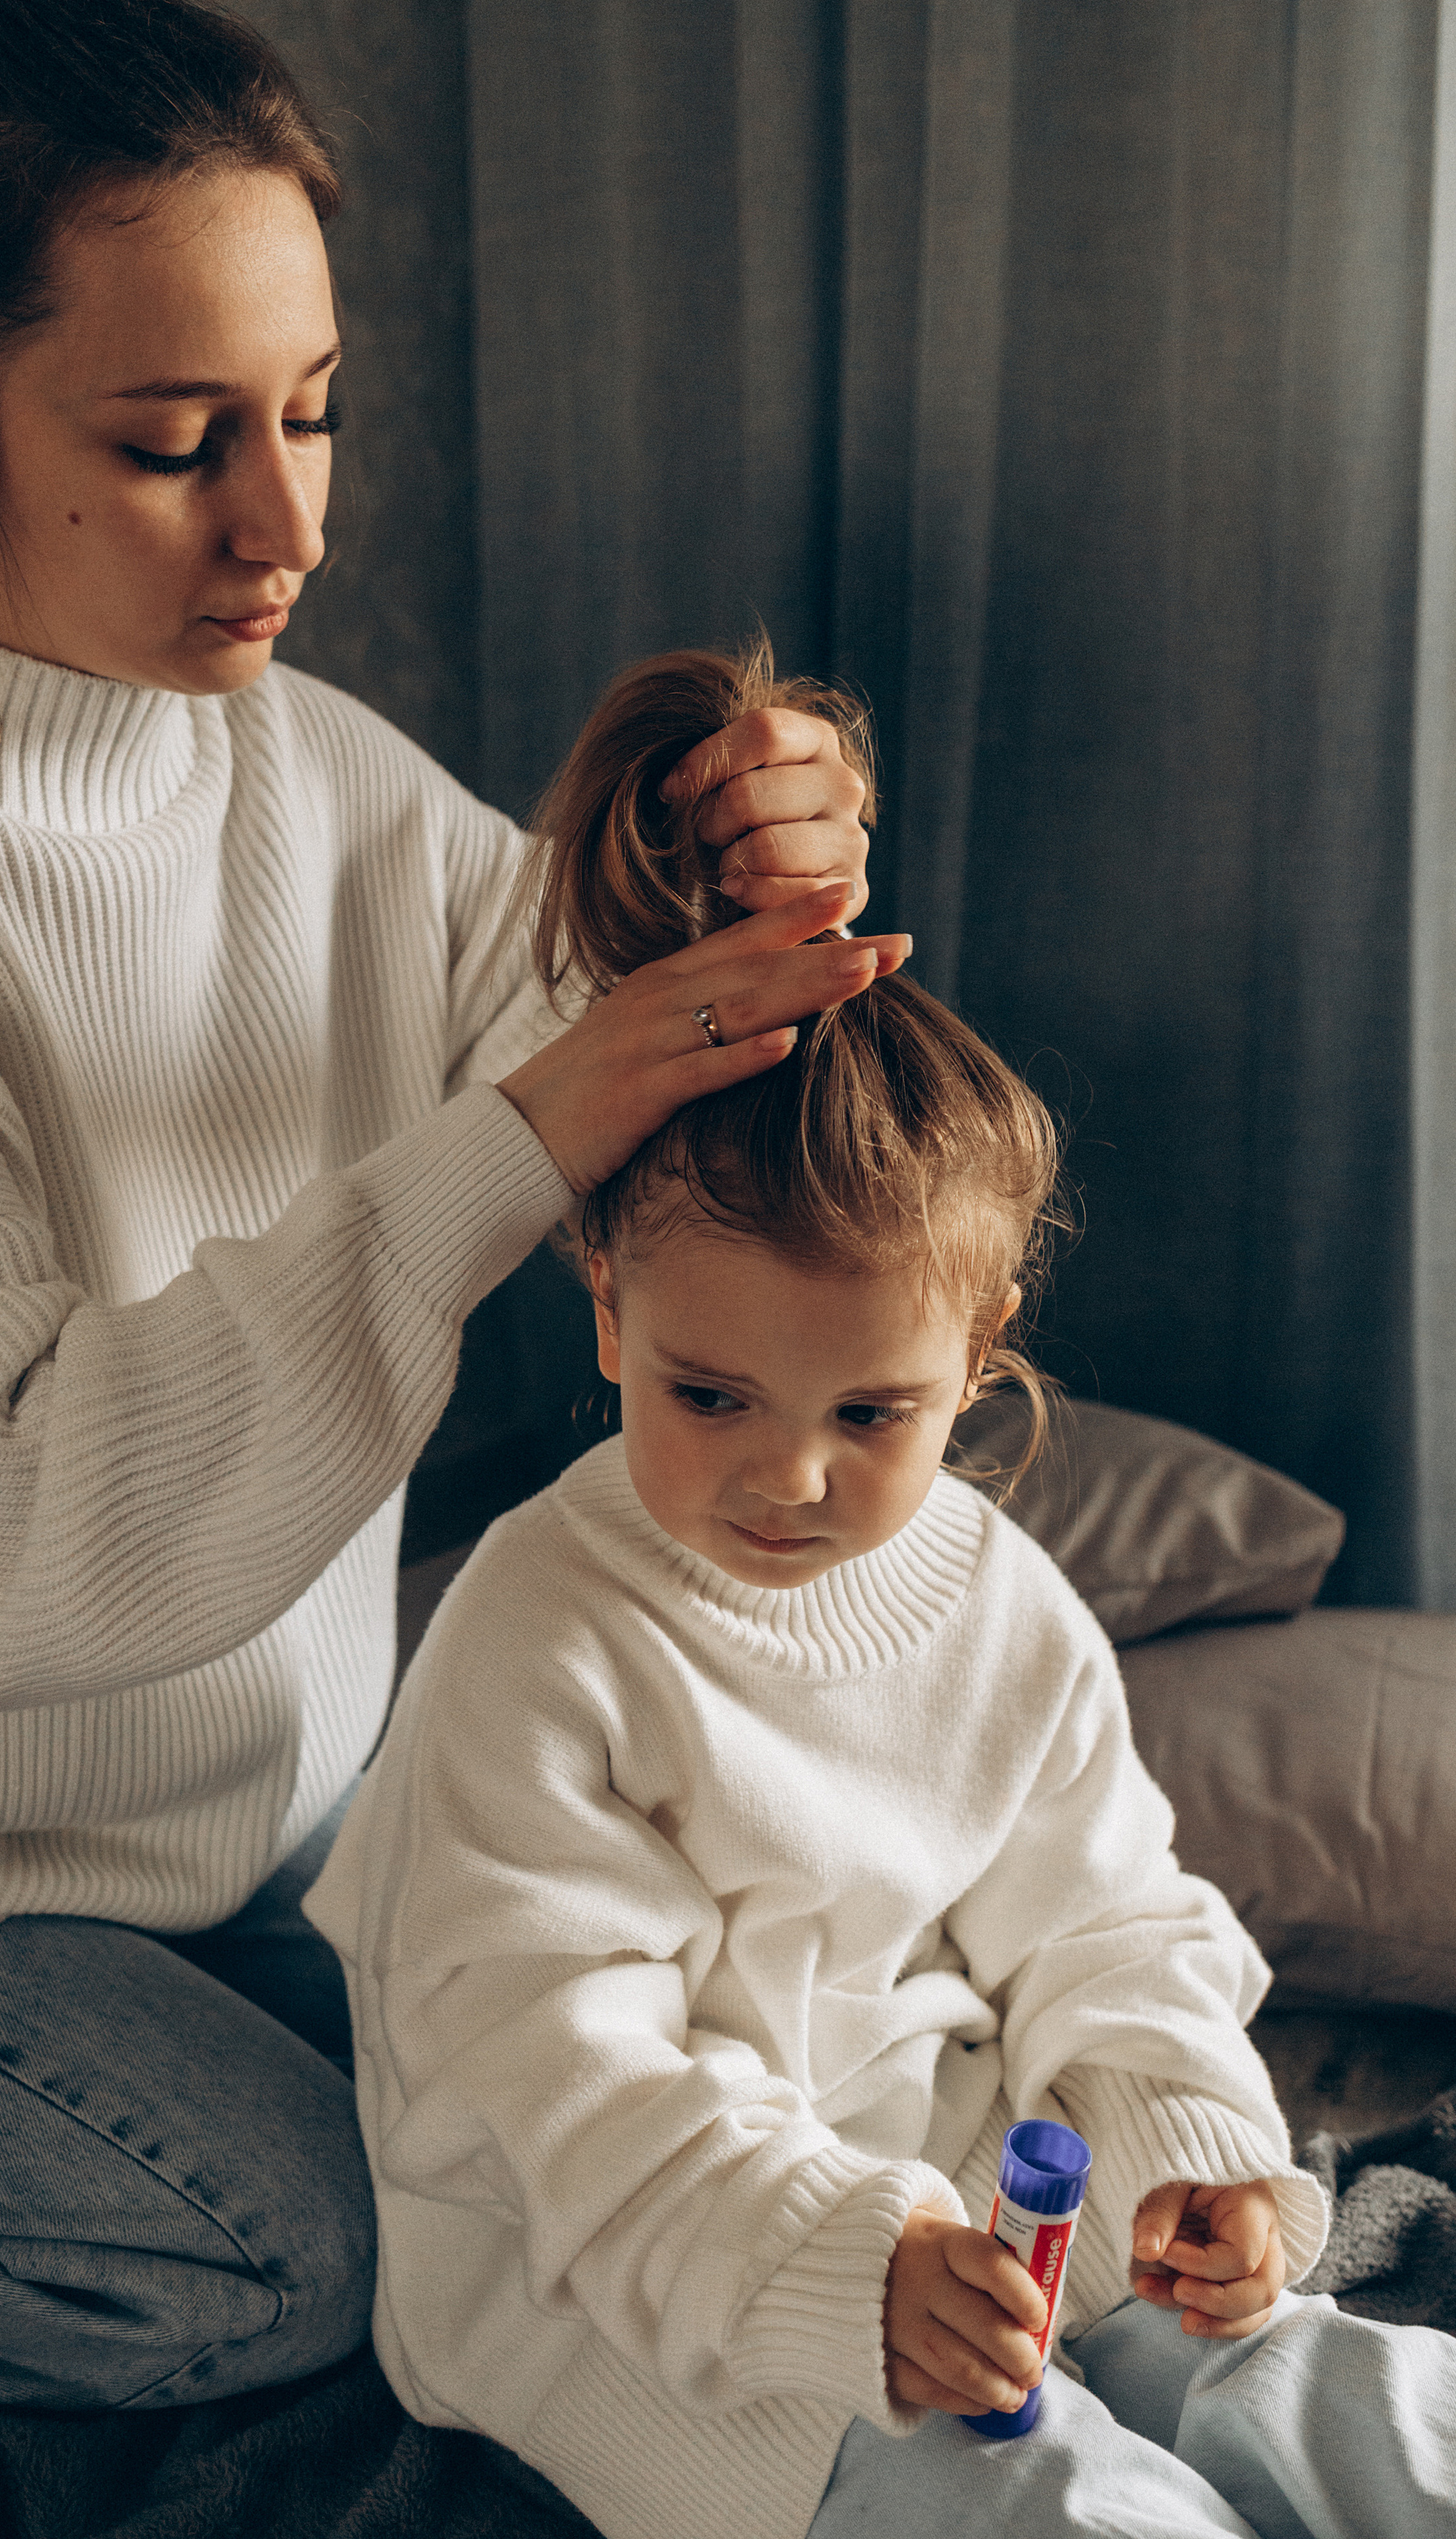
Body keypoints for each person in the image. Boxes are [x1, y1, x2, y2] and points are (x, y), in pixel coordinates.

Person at [0, 0, 899, 2421]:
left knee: (639, 2120)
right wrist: (525, 1121)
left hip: (229, 1859)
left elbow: (638, 1020)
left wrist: (751, 823)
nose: (291, 525)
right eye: (177, 445)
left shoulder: (296, 760)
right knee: (315, 2264)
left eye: (312, 412)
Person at [309, 646, 1456, 2539]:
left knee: (1320, 2390)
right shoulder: (539, 1639)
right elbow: (556, 2088)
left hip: (971, 2207)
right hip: (648, 2290)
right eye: (709, 1395)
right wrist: (858, 2266)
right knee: (1059, 2503)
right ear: (605, 1306)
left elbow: (1107, 1918)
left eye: (871, 1411)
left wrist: (1196, 2165)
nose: (786, 1474)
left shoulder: (990, 1596)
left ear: (980, 1354)